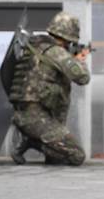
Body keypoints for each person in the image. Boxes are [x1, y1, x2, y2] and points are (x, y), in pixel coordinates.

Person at [9, 12, 90, 165]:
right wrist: (80, 61)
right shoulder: (55, 52)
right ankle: (29, 142)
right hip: (35, 117)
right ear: (68, 37)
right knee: (77, 155)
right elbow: (82, 77)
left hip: (30, 114)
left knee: (56, 158)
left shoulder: (36, 46)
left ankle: (32, 139)